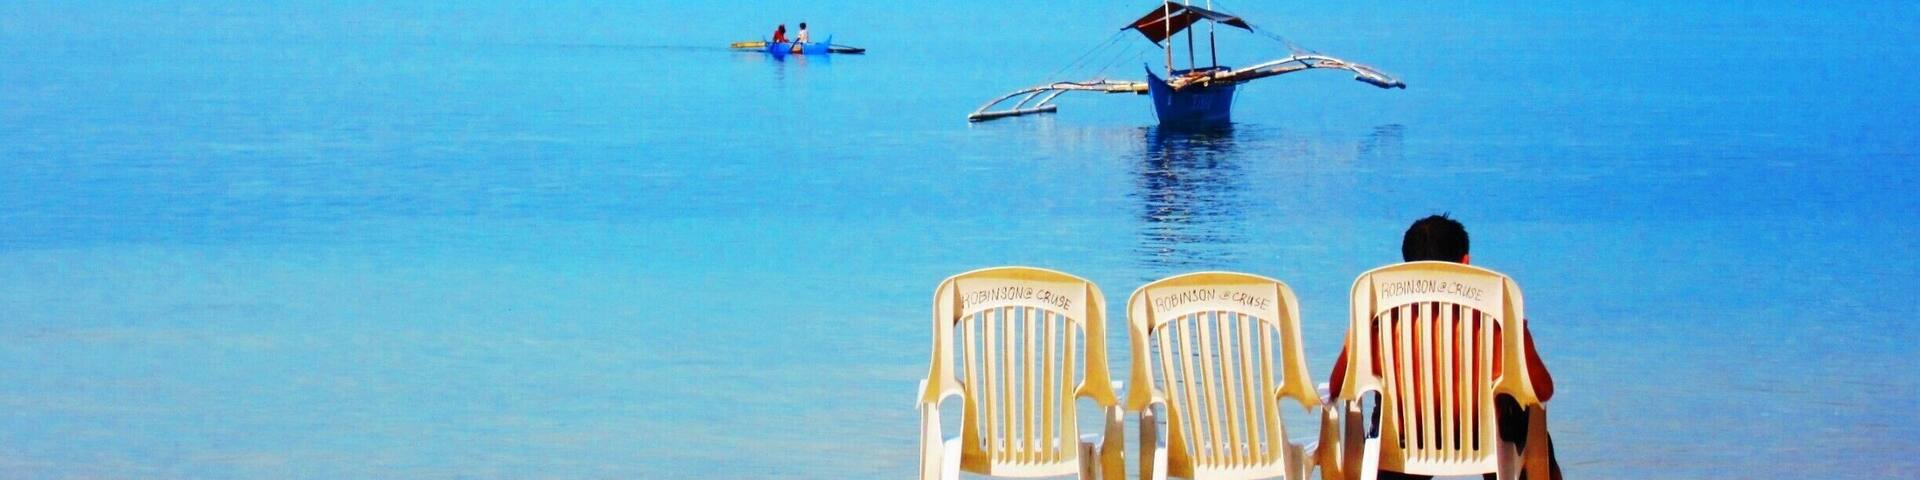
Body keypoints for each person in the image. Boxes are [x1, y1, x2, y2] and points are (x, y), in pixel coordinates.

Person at [1328, 214, 1562, 480]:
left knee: (1385, 423)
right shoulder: (1498, 323)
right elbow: (1543, 389)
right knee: (1522, 422)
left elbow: (1337, 387)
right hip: (1485, 445)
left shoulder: (1378, 324)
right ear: (1466, 263)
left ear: (1407, 267)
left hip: (1404, 447)